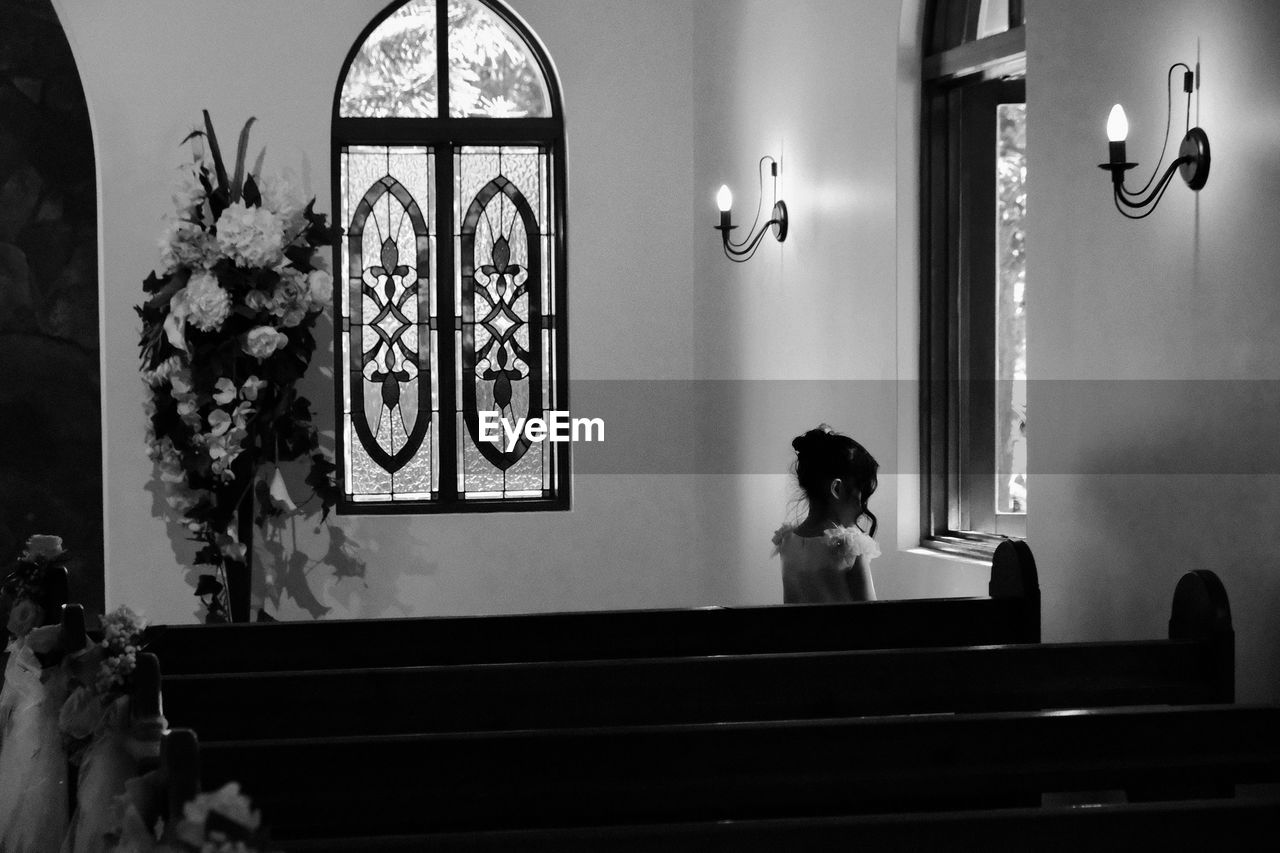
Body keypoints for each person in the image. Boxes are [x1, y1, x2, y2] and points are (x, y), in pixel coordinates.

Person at [772, 424, 880, 603]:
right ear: (837, 488)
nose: (863, 507)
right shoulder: (849, 548)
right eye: (862, 494)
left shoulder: (787, 542)